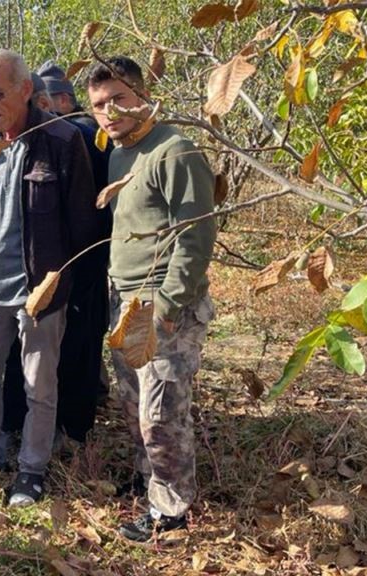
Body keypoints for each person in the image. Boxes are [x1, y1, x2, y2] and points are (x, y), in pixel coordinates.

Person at [0, 49, 100, 507]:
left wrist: (59, 285)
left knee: (40, 385)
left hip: (39, 292)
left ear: (25, 90)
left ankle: (32, 471)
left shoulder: (60, 140)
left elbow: (82, 224)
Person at [87, 56, 217, 541]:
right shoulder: (120, 156)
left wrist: (167, 305)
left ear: (143, 95)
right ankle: (151, 482)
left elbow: (196, 238)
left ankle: (170, 510)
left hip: (164, 305)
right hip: (125, 302)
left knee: (161, 412)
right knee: (135, 403)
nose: (110, 112)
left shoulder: (175, 151)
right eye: (100, 104)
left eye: (119, 99)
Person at [1, 69, 112, 446]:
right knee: (67, 344)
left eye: (43, 103)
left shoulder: (81, 134)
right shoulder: (80, 133)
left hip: (72, 258)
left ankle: (59, 427)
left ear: (56, 101)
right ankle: (68, 424)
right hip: (70, 258)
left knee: (59, 345)